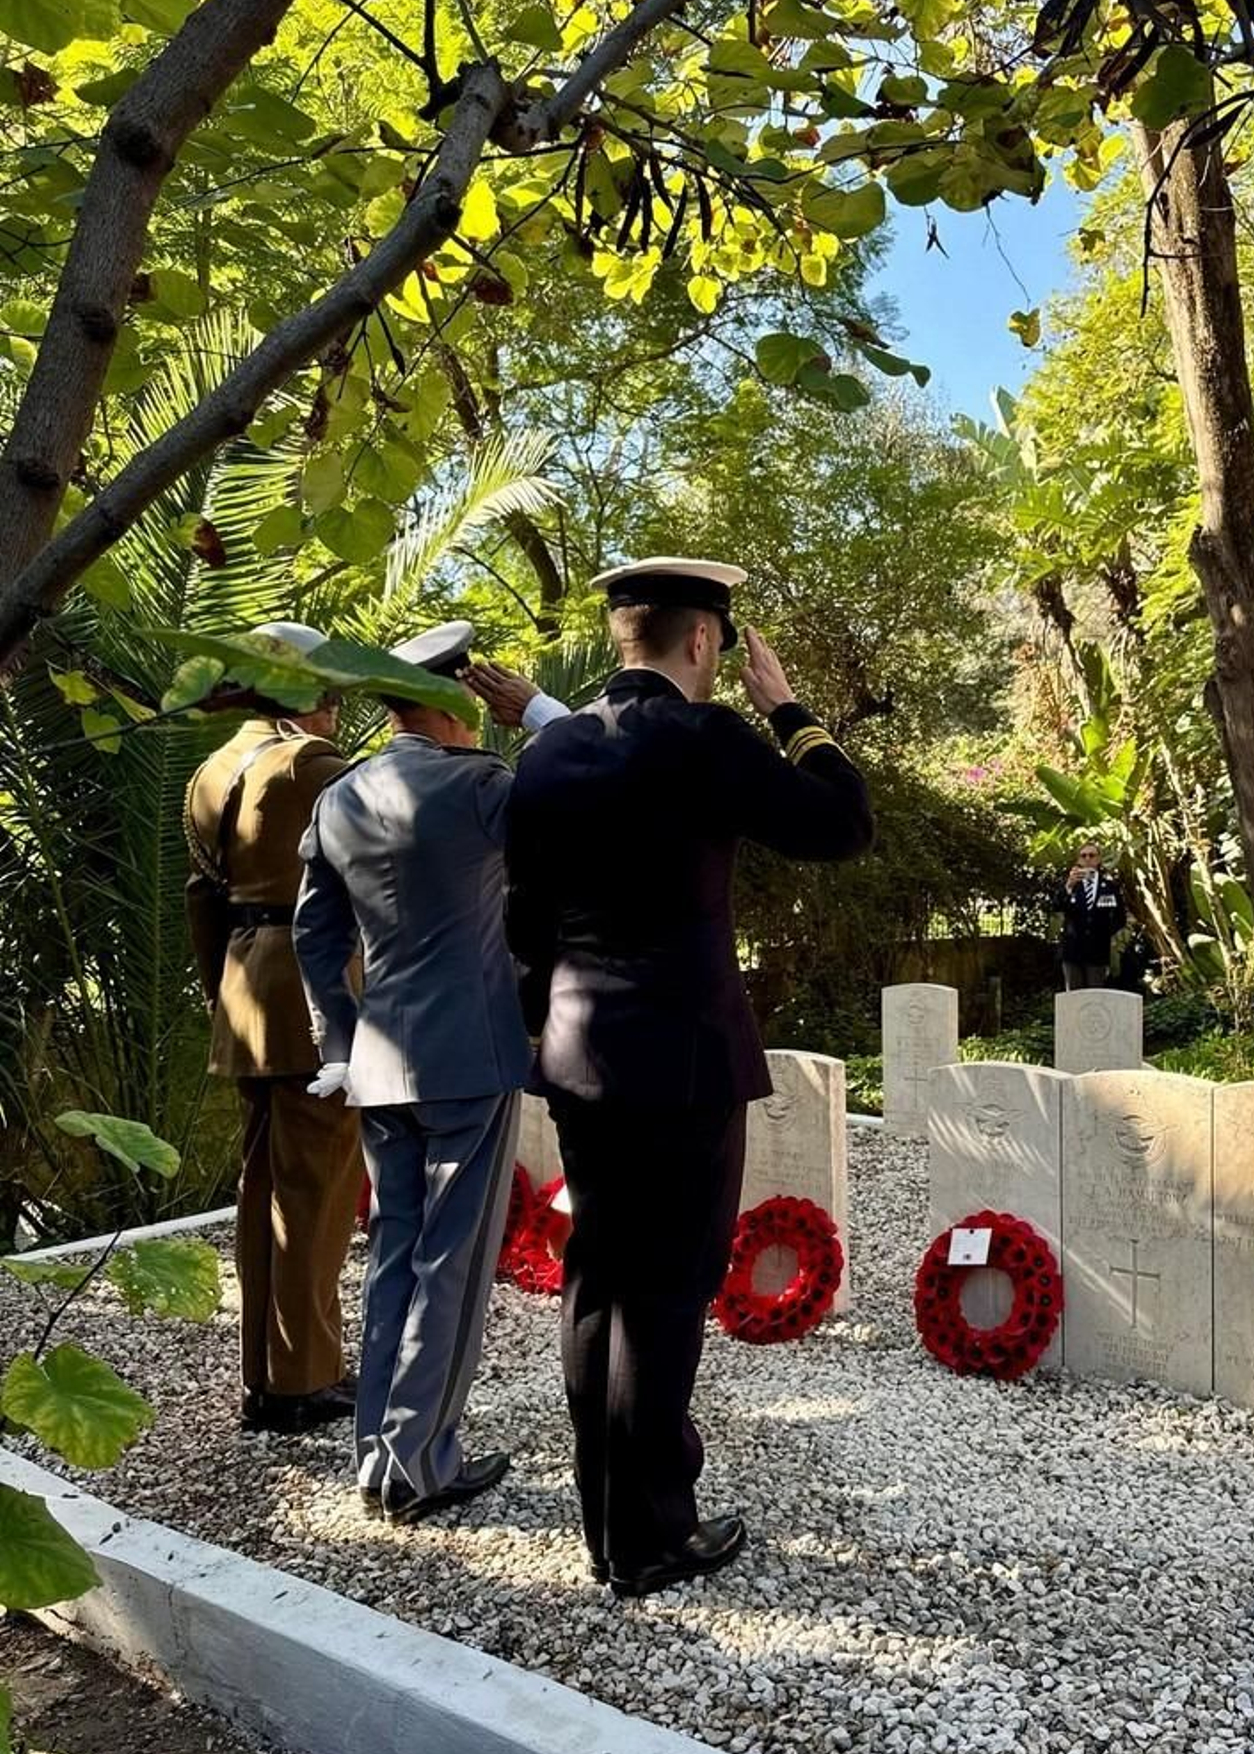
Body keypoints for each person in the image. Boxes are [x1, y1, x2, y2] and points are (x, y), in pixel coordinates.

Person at [504, 558, 873, 1600]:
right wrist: (790, 712)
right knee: (666, 1293)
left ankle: (605, 1521)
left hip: (579, 1055)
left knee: (597, 1282)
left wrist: (548, 1028)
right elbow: (842, 825)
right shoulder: (705, 737)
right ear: (703, 639)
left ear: (621, 635)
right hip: (685, 1060)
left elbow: (524, 920)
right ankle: (651, 1536)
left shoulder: (550, 752)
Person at [292, 622, 567, 1525]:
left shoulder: (339, 796)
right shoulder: (481, 786)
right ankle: (417, 1464)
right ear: (454, 699)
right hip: (470, 1061)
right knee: (451, 1263)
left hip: (376, 1063)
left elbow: (314, 937)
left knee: (393, 1257)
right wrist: (536, 715)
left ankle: (377, 1452)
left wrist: (337, 1044)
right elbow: (578, 798)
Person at [182, 622, 364, 1434]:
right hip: (312, 994)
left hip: (245, 989)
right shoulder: (311, 766)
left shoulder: (212, 770)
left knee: (263, 1187)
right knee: (315, 1190)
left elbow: (202, 899)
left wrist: (221, 993)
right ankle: (302, 1379)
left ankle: (265, 1371)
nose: (335, 707)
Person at [1051, 839, 1127, 991]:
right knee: (1074, 996)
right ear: (1078, 860)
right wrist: (1068, 887)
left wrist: (1103, 934)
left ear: (1098, 859)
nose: (1087, 859)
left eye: (1091, 855)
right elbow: (1057, 907)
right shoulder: (1070, 885)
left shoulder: (1109, 887)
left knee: (1095, 996)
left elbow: (1120, 918)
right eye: (1083, 856)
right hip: (1072, 952)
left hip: (1098, 953)